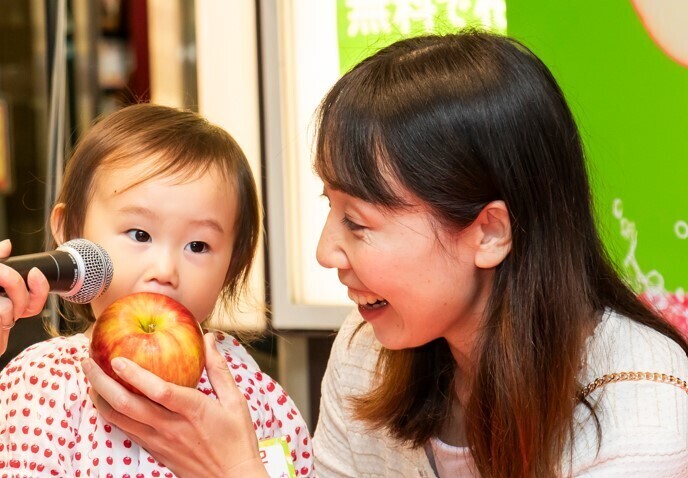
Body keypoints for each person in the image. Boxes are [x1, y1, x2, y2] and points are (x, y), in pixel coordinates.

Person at [78, 31, 688, 477]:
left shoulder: (643, 405)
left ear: (489, 233)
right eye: (328, 206)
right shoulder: (366, 353)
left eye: (359, 222)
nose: (325, 251)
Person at [0, 104, 313, 477]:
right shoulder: (41, 385)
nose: (166, 271)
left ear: (232, 264)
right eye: (140, 235)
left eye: (198, 246)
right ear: (70, 232)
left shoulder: (254, 397)